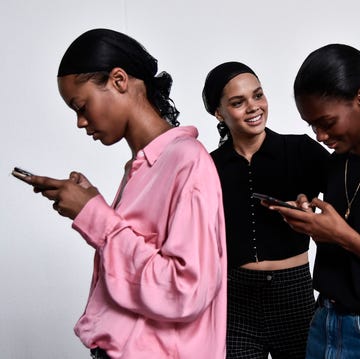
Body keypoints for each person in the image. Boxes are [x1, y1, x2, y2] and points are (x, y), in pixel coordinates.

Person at [24, 28, 227, 359]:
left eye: (82, 105)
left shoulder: (187, 160)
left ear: (119, 80)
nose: (80, 122)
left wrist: (95, 215)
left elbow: (185, 288)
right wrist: (93, 205)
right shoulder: (142, 166)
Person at [202, 61, 330, 359]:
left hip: (294, 295)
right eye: (238, 102)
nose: (253, 107)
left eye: (258, 95)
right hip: (235, 301)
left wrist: (315, 216)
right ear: (219, 113)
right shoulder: (207, 166)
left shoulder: (301, 150)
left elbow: (347, 201)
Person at [266, 44, 360, 359]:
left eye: (327, 122)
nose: (320, 136)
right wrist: (312, 219)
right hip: (325, 321)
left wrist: (342, 236)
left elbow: (343, 235)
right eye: (311, 126)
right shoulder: (337, 162)